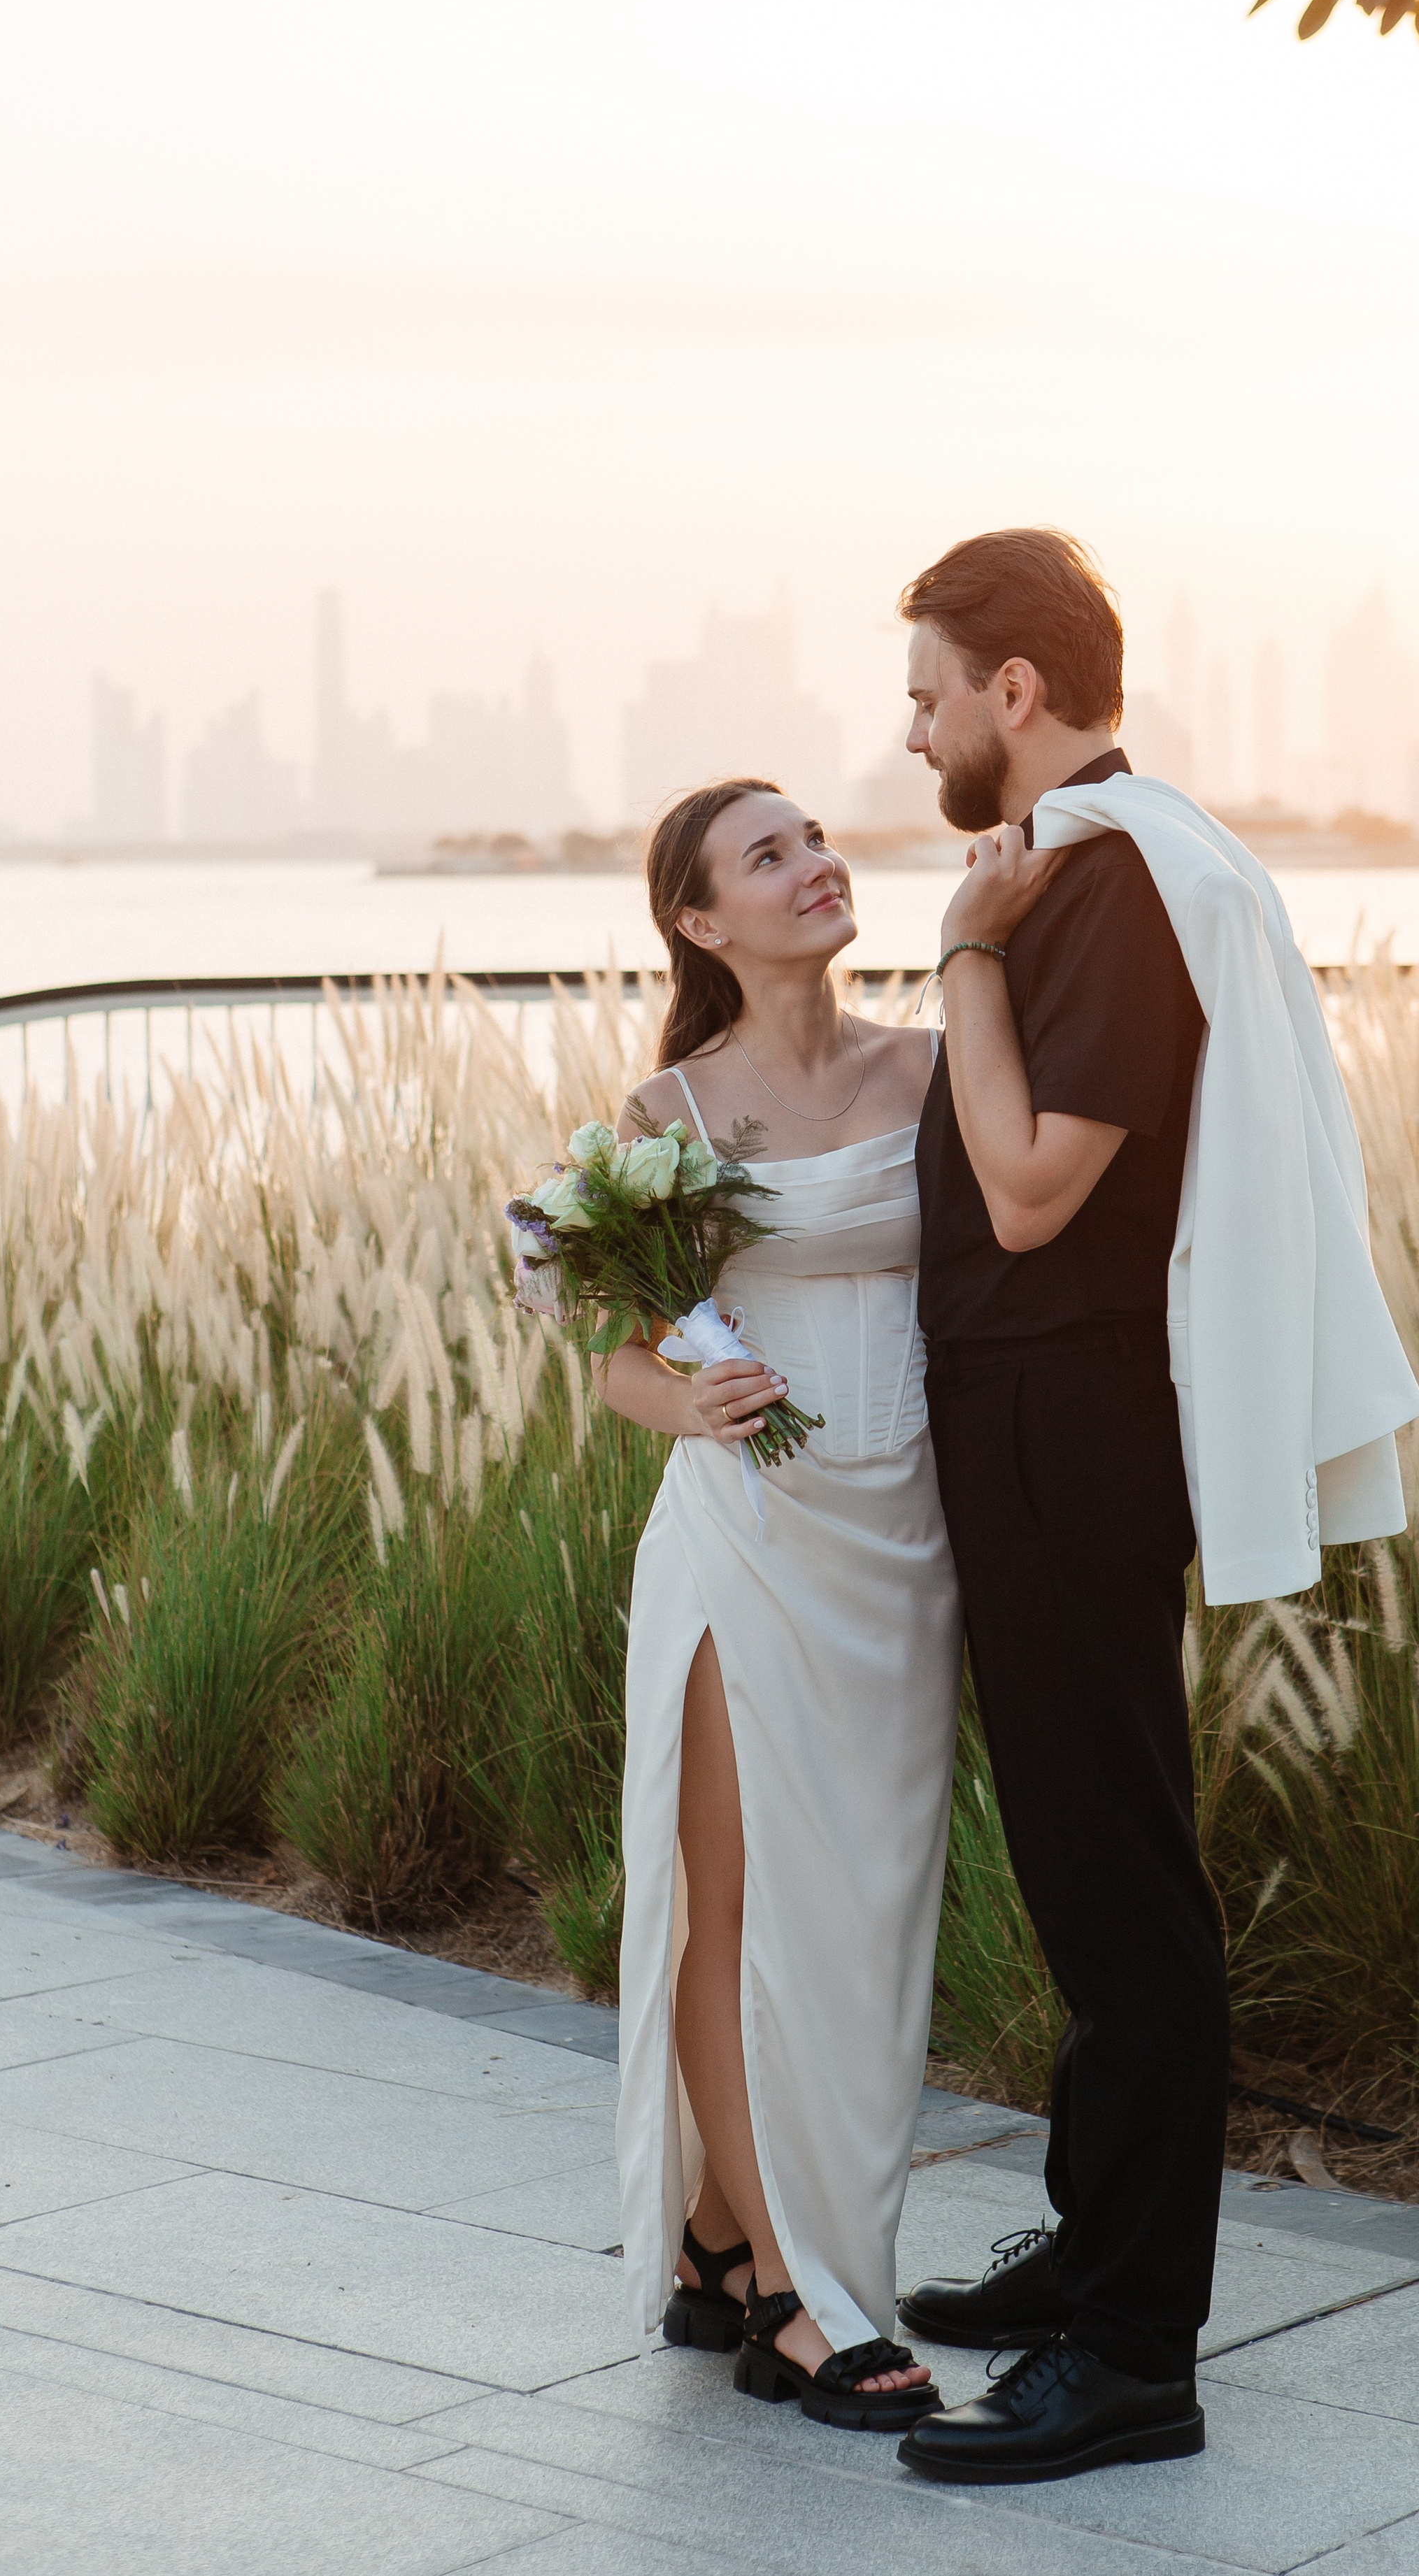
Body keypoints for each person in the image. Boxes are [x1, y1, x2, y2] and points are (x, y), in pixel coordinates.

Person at [890, 528, 1419, 2486]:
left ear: (1015, 690)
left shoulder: (1105, 884)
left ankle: (1130, 2355)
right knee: (1081, 1858)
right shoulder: (1088, 863)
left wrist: (963, 953)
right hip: (1031, 1417)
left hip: (1070, 1424)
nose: (915, 732)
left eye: (930, 695)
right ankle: (1091, 2244)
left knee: (1119, 1882)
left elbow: (1033, 1190)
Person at [522, 778, 960, 2433]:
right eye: (767, 856)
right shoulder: (671, 1111)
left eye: (816, 838)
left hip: (900, 1537)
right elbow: (616, 1357)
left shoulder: (928, 1068)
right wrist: (685, 1402)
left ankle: (718, 2234)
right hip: (745, 1538)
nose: (815, 864)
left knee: (865, 1905)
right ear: (699, 921)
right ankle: (795, 2290)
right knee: (740, 1896)